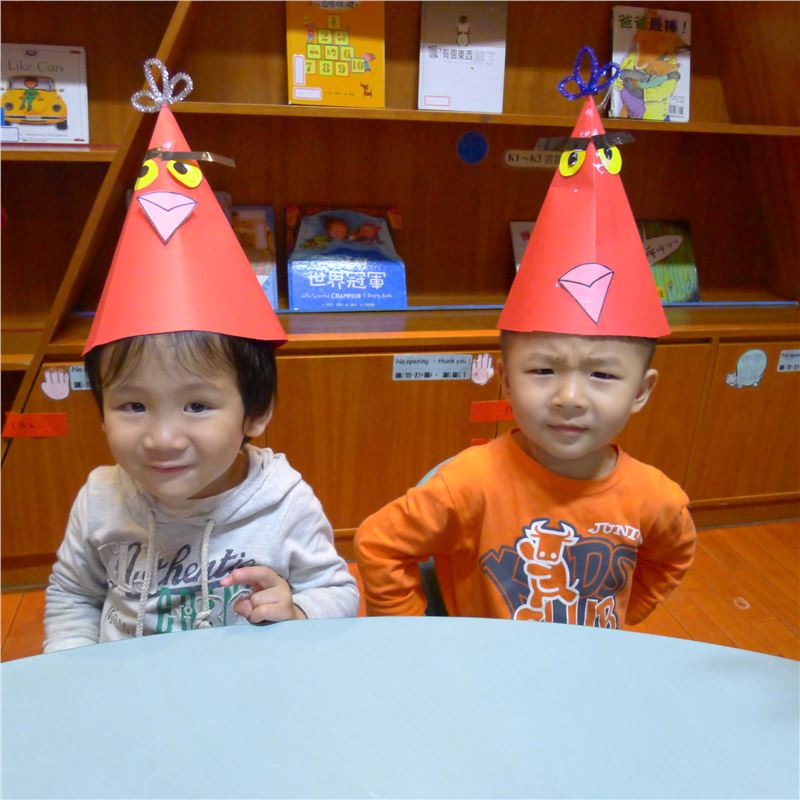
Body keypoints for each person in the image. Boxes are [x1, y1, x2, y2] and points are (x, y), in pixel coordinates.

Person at [355, 75, 696, 629]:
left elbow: (671, 558)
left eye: (603, 376)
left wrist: (620, 618)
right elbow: (379, 543)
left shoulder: (657, 501)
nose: (569, 397)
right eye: (542, 369)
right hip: (482, 673)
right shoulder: (466, 485)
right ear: (507, 380)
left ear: (642, 390)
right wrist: (415, 639)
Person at [44, 61, 358, 652]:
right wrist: (73, 667)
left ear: (255, 411)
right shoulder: (101, 500)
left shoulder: (284, 501)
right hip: (129, 692)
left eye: (196, 405)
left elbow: (337, 589)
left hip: (247, 693)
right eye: (133, 405)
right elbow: (73, 594)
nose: (162, 438)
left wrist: (298, 610)